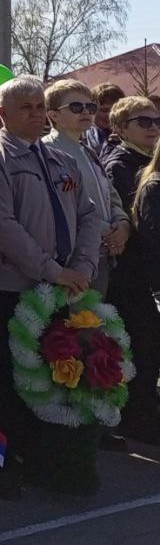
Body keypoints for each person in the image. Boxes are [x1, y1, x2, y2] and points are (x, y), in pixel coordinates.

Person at [0, 76, 99, 497]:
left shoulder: (62, 161)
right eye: (26, 107)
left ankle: (47, 459)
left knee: (55, 376)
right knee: (7, 383)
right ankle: (4, 462)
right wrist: (51, 269)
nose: (38, 114)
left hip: (63, 288)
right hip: (10, 290)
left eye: (41, 106)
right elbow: (1, 226)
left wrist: (81, 267)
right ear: (1, 114)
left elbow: (90, 216)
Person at [44, 79, 127, 294]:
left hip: (104, 253)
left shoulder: (87, 149)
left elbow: (110, 193)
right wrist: (106, 231)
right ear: (53, 115)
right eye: (75, 107)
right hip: (75, 256)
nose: (86, 112)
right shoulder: (47, 152)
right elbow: (62, 206)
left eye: (90, 107)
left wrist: (121, 223)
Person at [111, 141, 160, 443]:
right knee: (147, 356)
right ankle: (139, 422)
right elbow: (155, 238)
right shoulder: (154, 186)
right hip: (153, 285)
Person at [102, 96, 160, 209]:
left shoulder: (153, 158)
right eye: (144, 122)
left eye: (157, 122)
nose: (153, 127)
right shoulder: (117, 167)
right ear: (120, 129)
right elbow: (130, 214)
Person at [85, 82, 125, 158]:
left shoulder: (130, 137)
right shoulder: (83, 139)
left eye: (115, 110)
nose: (109, 114)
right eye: (104, 110)